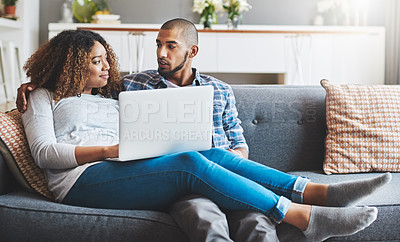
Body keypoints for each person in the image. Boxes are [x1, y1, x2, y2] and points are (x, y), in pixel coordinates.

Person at [20, 28, 391, 242]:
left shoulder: (111, 91)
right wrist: (108, 150)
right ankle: (301, 216)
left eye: (105, 58)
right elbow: (43, 152)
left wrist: (131, 147)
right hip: (80, 180)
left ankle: (316, 192)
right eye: (95, 60)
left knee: (205, 152)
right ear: (71, 64)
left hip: (121, 167)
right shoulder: (42, 95)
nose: (106, 66)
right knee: (189, 163)